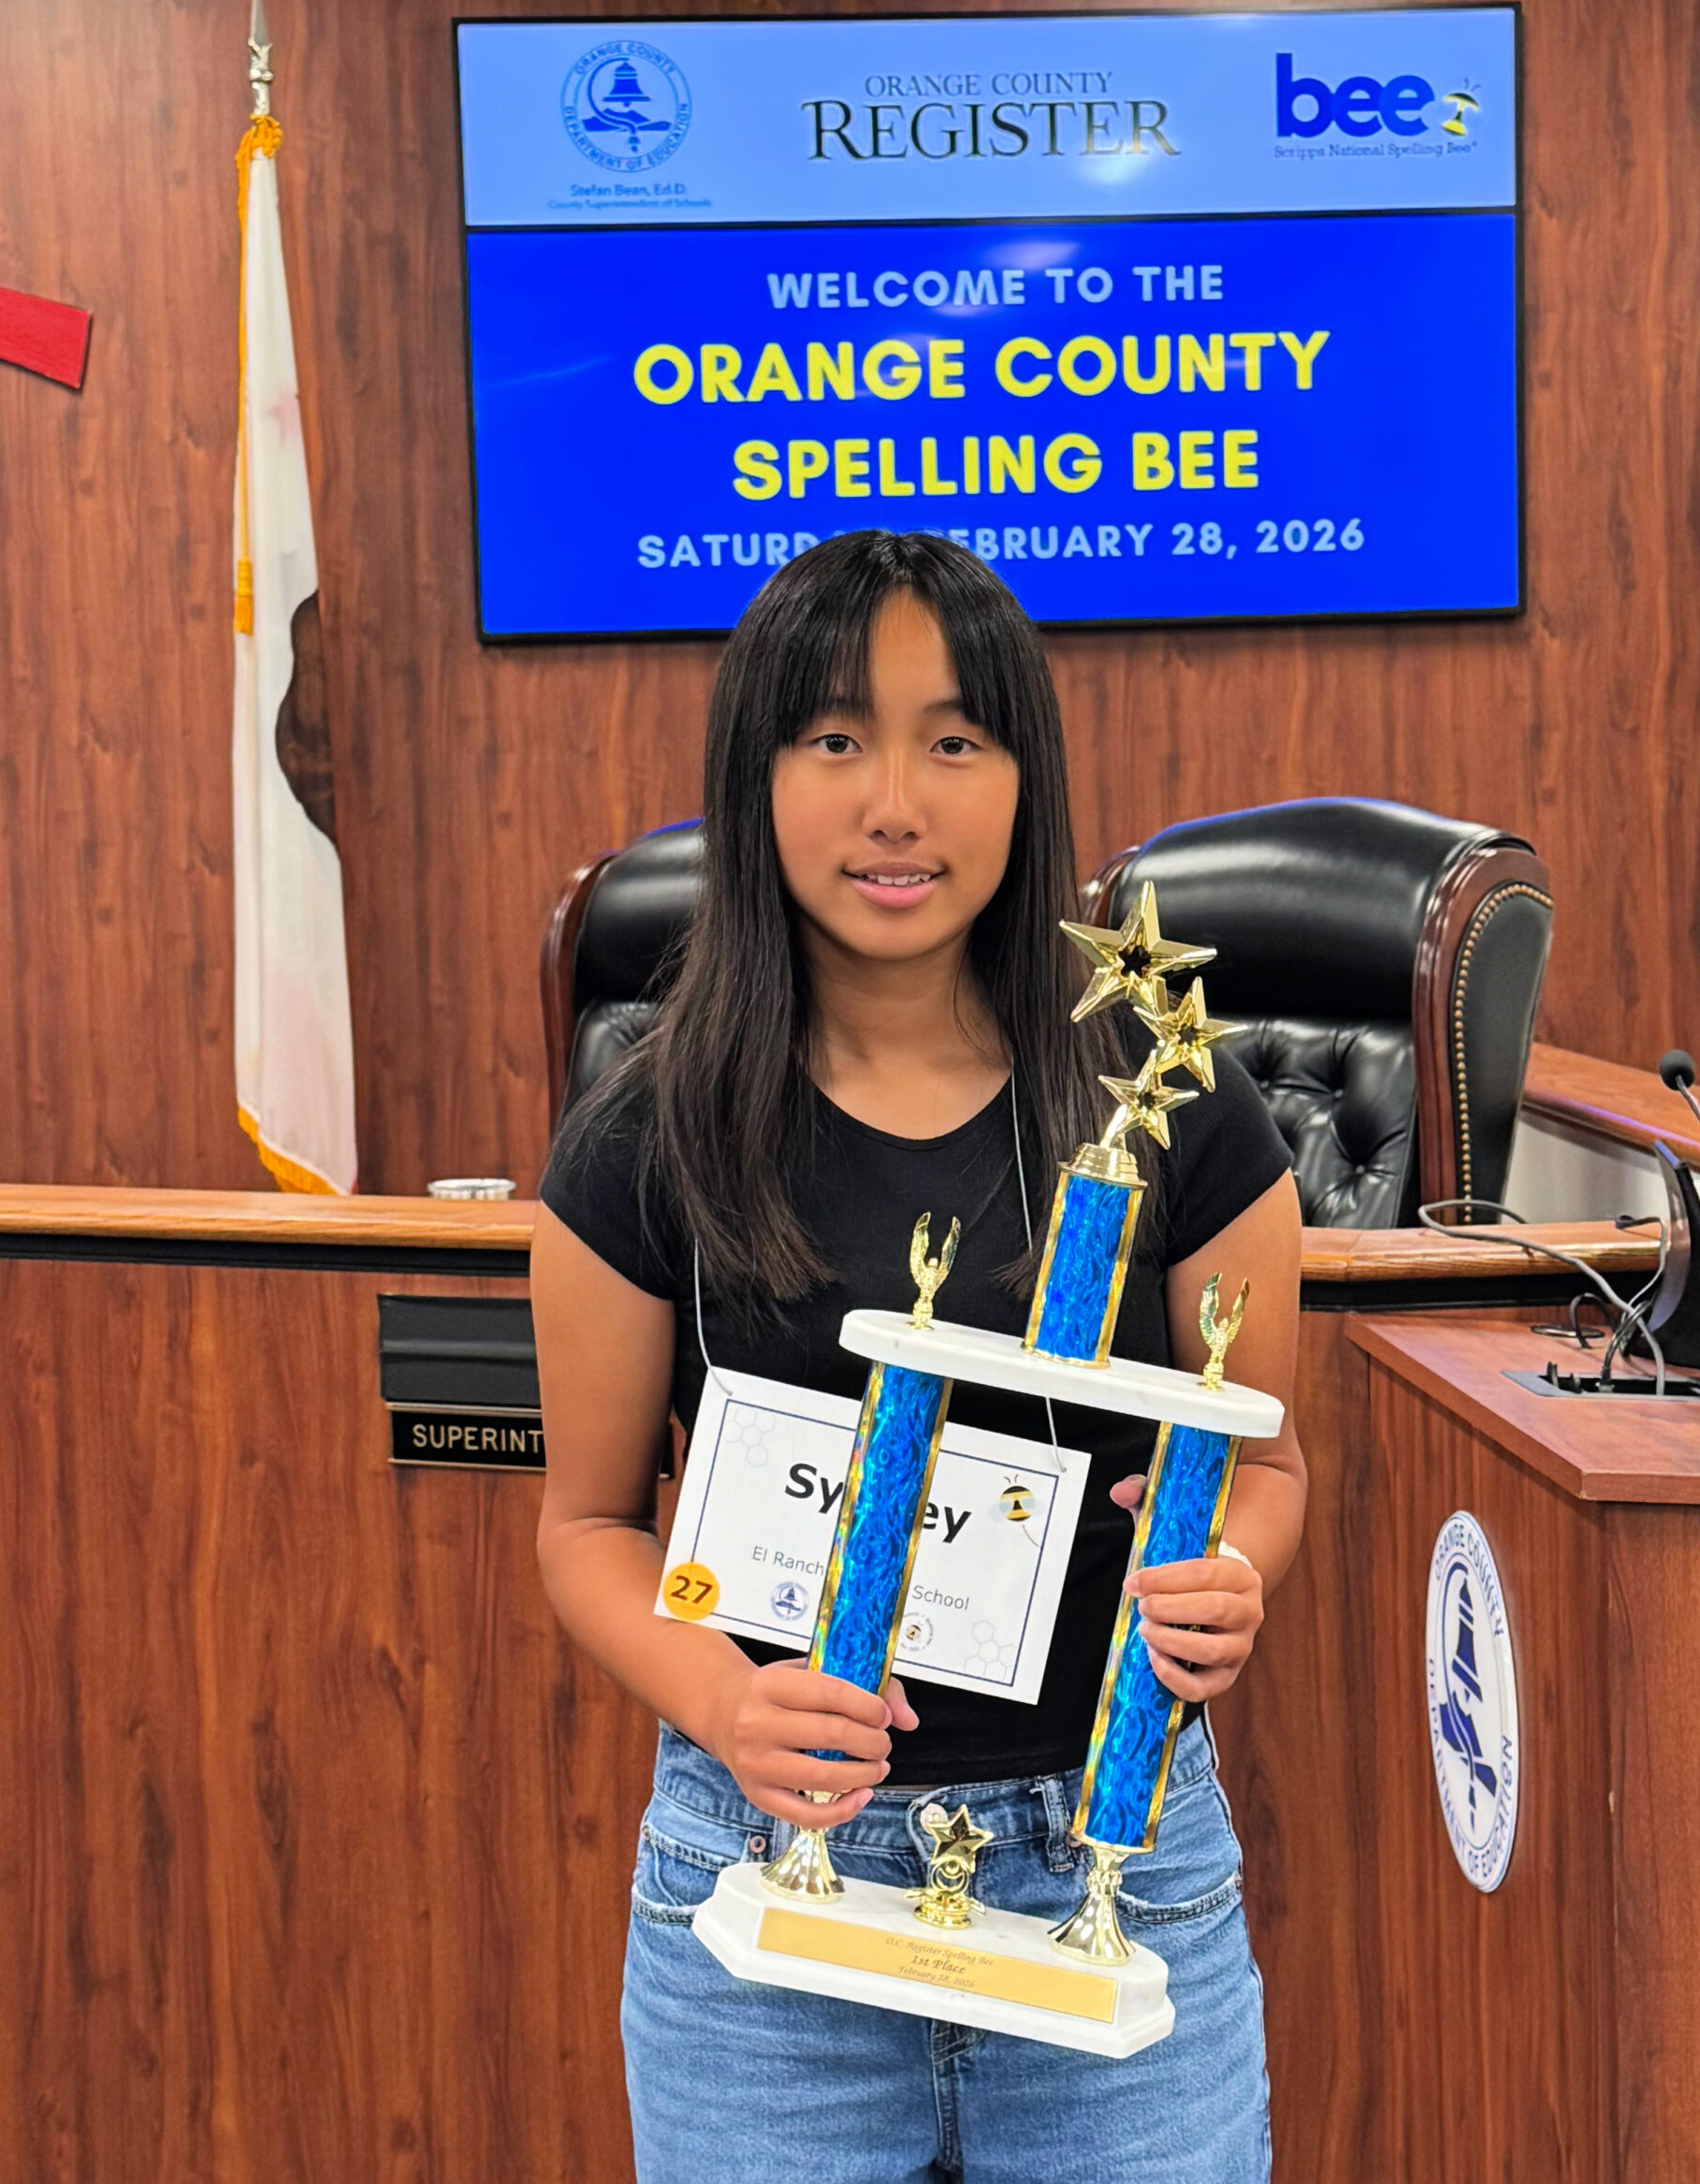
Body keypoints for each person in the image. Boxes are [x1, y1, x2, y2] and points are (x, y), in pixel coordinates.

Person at [530, 531, 1307, 2183]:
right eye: (834, 739)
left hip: (1115, 1859)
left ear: (1026, 778)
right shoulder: (643, 1132)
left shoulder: (1170, 1103)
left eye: (955, 739)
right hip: (770, 1880)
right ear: (756, 779)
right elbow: (588, 1528)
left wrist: (1234, 1568)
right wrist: (729, 1707)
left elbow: (1267, 1465)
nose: (897, 800)